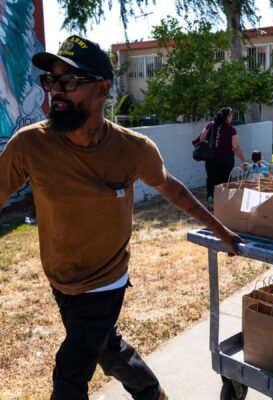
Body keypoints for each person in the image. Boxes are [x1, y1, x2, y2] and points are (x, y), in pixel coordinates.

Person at [0, 35, 243, 400]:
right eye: (51, 81)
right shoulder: (29, 145)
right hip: (62, 278)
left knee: (71, 373)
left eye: (69, 82)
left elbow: (172, 189)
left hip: (106, 281)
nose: (56, 92)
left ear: (102, 89)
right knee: (105, 348)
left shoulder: (133, 149)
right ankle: (151, 394)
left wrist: (222, 231)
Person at [199, 107, 247, 207]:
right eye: (231, 115)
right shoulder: (231, 129)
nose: (232, 117)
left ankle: (211, 199)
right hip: (226, 159)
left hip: (211, 158)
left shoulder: (210, 125)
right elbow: (235, 147)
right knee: (224, 180)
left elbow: (202, 138)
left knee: (211, 179)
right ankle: (222, 203)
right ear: (227, 117)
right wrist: (243, 160)